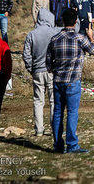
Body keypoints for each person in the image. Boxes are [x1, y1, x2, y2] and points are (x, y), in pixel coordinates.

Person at [46, 8, 94, 153]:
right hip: (73, 81)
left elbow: (48, 65)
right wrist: (91, 36)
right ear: (75, 22)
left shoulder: (54, 39)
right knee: (72, 113)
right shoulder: (80, 39)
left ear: (62, 21)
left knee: (57, 113)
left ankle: (57, 145)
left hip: (57, 81)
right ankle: (72, 145)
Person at [23, 9, 62, 137]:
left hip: (37, 71)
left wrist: (31, 68)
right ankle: (54, 129)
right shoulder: (54, 32)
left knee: (38, 101)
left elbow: (26, 55)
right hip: (52, 71)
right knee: (53, 101)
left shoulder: (31, 34)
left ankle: (39, 129)